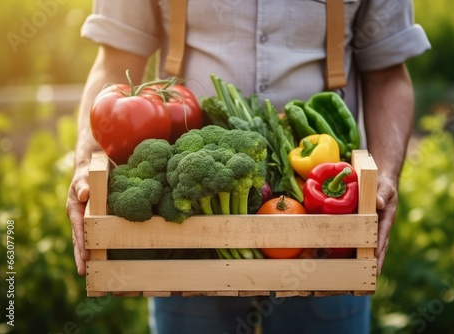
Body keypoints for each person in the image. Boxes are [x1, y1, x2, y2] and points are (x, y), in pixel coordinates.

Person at [67, 1, 430, 333]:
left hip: (326, 231)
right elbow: (115, 62)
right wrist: (85, 162)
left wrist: (384, 177)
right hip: (189, 233)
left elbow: (388, 72)